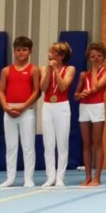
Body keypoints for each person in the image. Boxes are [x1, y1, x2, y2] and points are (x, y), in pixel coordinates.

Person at [0, 37, 41, 189]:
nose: (21, 53)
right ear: (14, 51)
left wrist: (23, 107)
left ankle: (28, 178)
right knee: (11, 146)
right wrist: (5, 107)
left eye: (24, 50)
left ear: (30, 51)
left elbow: (37, 92)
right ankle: (10, 177)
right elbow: (1, 91)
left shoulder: (34, 70)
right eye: (18, 50)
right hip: (9, 110)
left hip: (26, 111)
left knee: (28, 145)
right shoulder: (6, 70)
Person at [40, 41, 75, 189]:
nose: (50, 55)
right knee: (48, 144)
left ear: (61, 56)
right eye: (50, 52)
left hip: (62, 107)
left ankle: (60, 177)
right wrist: (48, 70)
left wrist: (55, 70)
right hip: (48, 106)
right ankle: (50, 176)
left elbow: (62, 87)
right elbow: (42, 88)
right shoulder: (44, 68)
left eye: (53, 52)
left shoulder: (70, 69)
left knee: (62, 143)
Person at [76, 42, 106, 188]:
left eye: (99, 56)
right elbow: (75, 95)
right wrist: (81, 94)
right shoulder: (84, 75)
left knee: (97, 142)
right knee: (86, 143)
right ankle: (87, 176)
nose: (96, 58)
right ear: (89, 58)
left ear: (103, 57)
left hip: (97, 107)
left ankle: (97, 177)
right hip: (84, 107)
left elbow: (97, 87)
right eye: (92, 56)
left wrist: (96, 71)